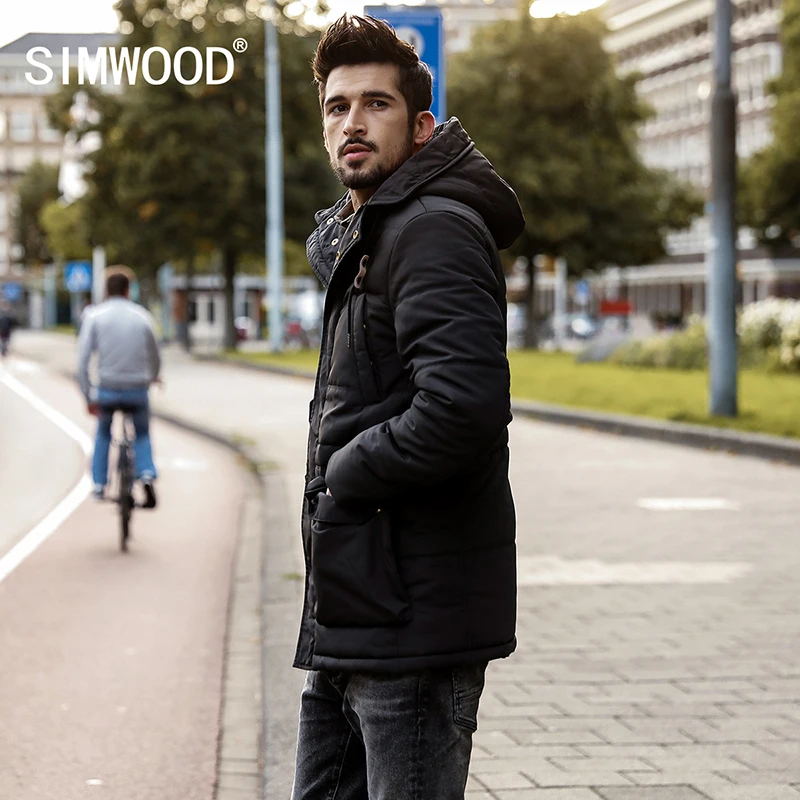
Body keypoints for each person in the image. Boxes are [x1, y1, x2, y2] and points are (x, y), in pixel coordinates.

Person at [292, 15, 525, 800]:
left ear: (421, 127)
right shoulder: (373, 233)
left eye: (376, 104)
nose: (352, 122)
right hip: (359, 607)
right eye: (337, 106)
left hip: (412, 626)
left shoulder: (431, 230)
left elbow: (461, 408)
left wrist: (344, 475)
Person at [77, 268, 160, 507]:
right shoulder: (142, 316)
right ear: (128, 290)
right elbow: (155, 355)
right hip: (137, 388)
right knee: (141, 432)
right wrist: (153, 377)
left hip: (107, 389)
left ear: (106, 290)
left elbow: (82, 360)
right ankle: (146, 472)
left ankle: (99, 484)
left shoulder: (95, 317)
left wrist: (87, 395)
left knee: (103, 433)